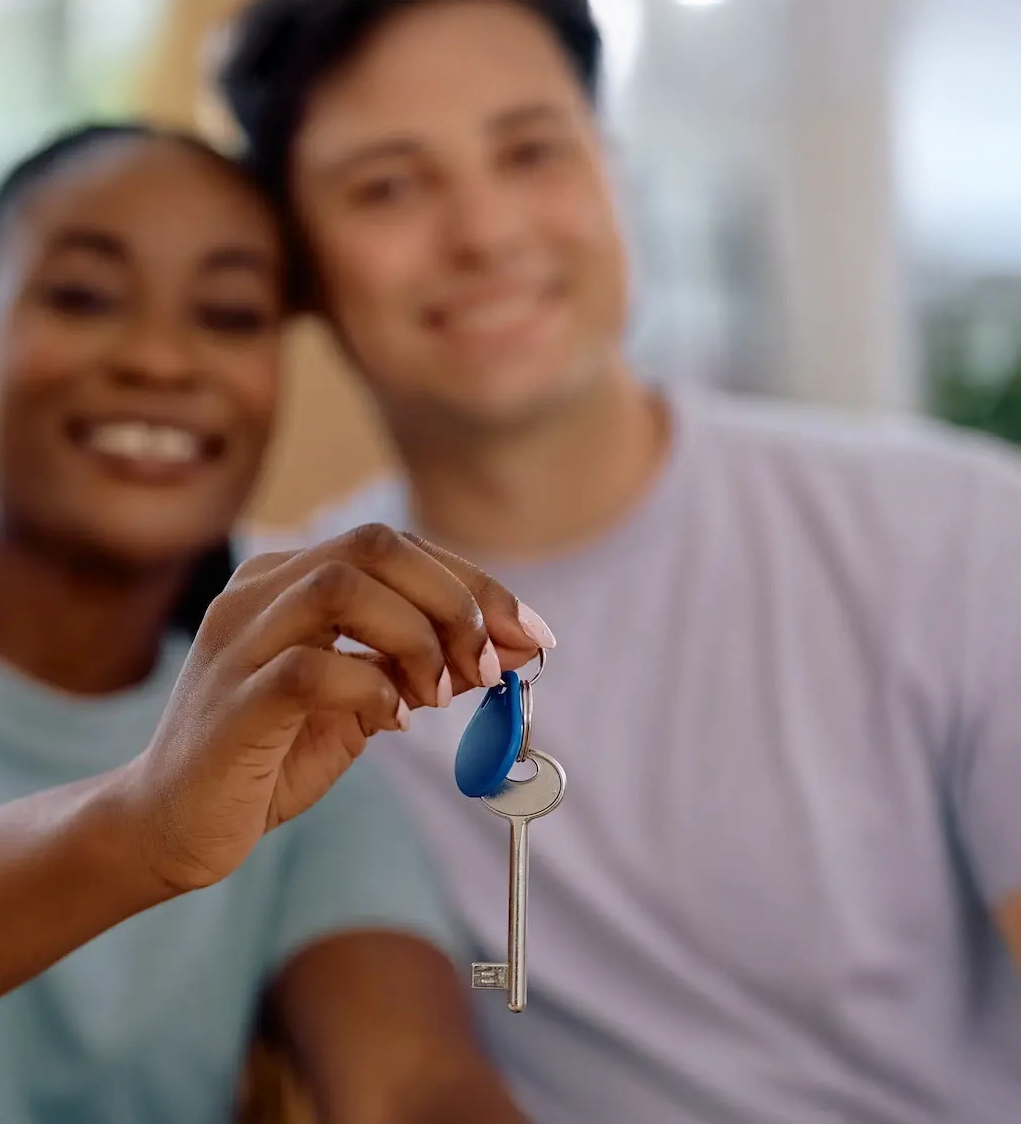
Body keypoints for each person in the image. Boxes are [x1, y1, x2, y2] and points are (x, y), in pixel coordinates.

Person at [219, 2, 1021, 1121]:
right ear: (295, 261)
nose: (484, 232)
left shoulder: (957, 534)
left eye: (531, 151)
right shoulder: (286, 652)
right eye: (388, 186)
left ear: (611, 170)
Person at [0, 122, 549, 1123]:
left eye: (229, 315)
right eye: (82, 296)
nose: (156, 357)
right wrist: (139, 826)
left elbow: (411, 1084)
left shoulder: (296, 729)